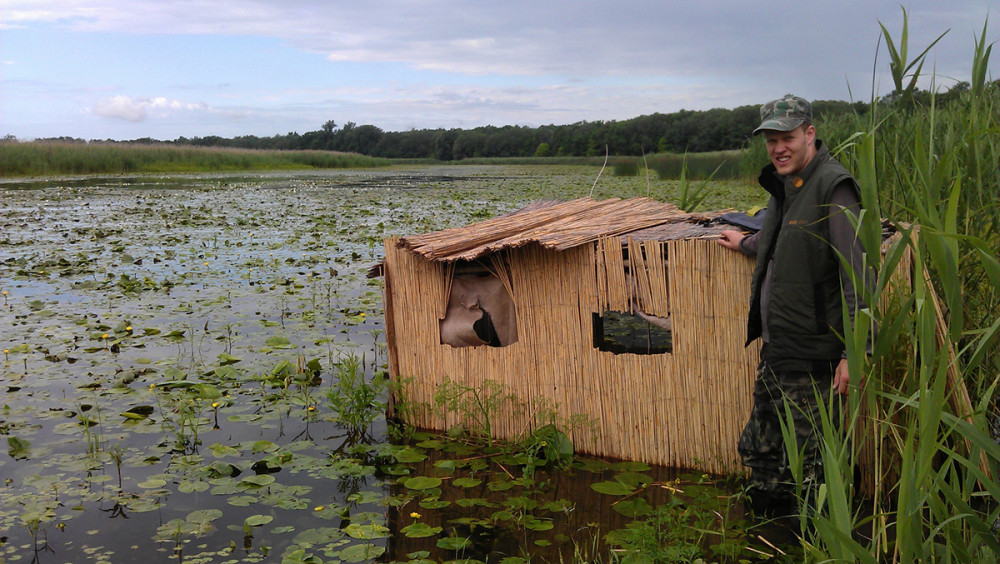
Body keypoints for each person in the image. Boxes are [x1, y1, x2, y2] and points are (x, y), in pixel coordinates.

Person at [717, 94, 869, 514]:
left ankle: (818, 544)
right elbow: (784, 243)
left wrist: (854, 353)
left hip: (813, 359)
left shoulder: (833, 188)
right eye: (771, 140)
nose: (778, 148)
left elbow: (856, 276)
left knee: (812, 471)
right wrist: (746, 242)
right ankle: (766, 537)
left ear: (809, 134)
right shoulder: (784, 187)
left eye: (786, 137)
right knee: (763, 455)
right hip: (777, 350)